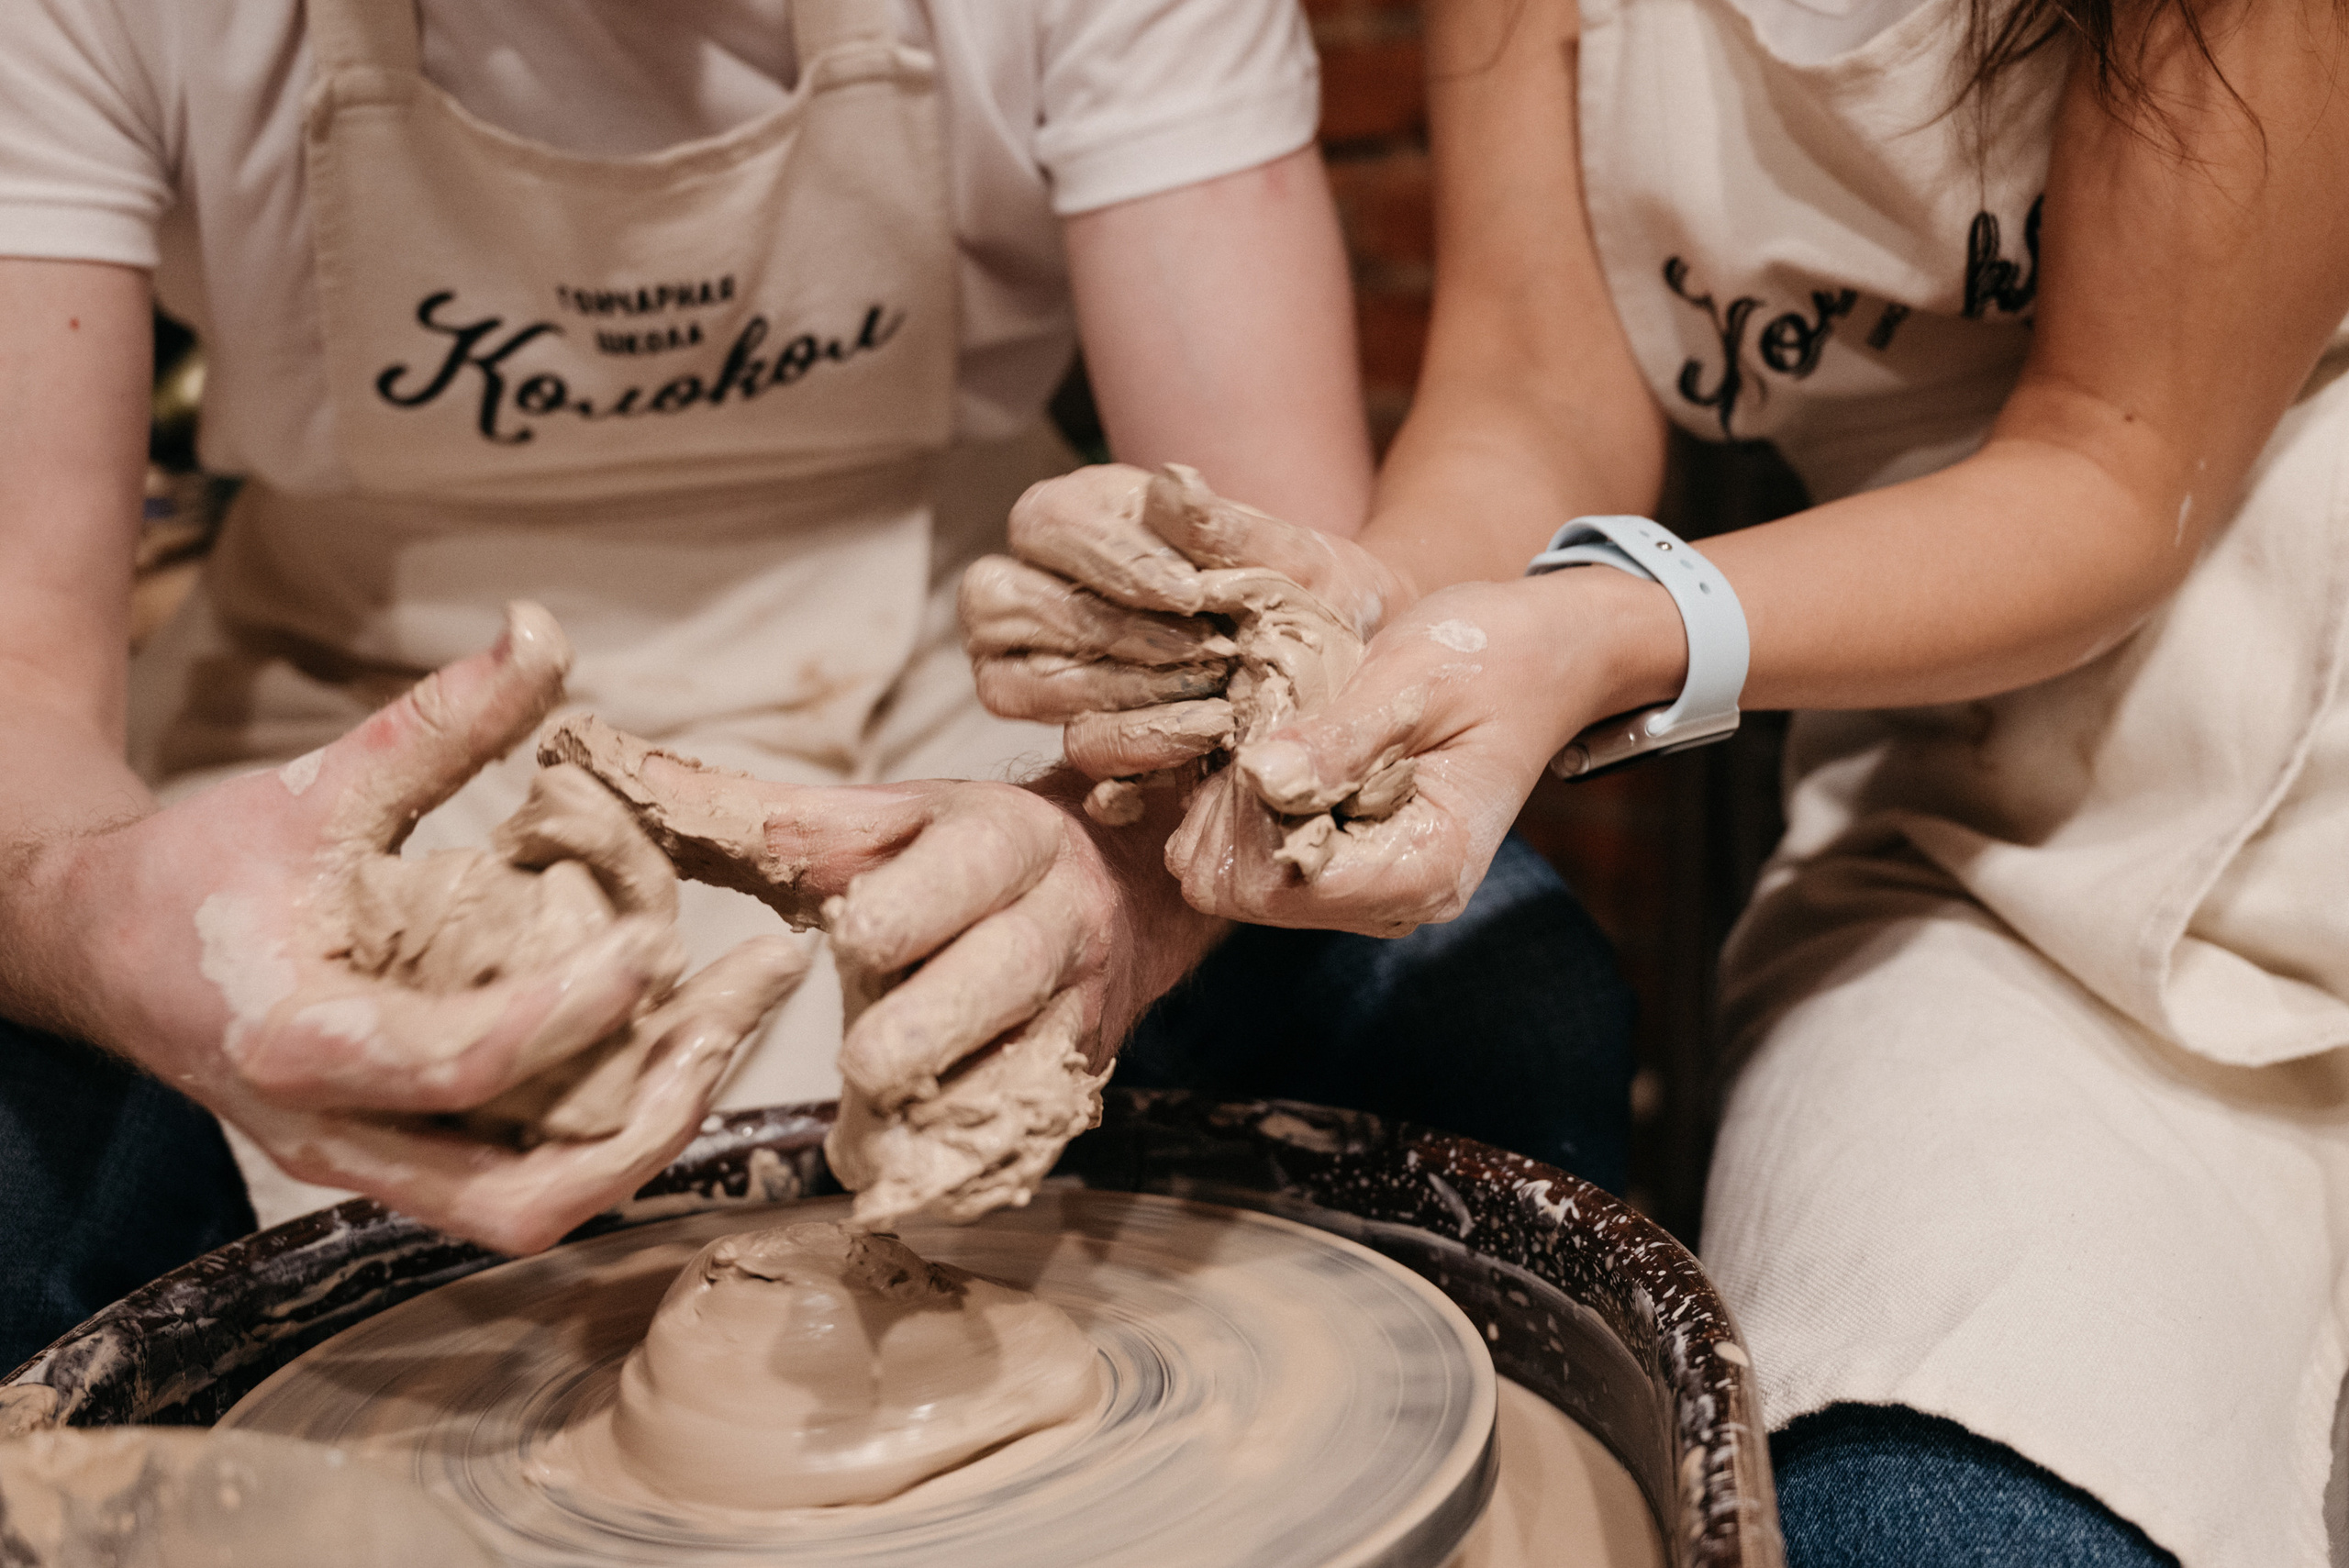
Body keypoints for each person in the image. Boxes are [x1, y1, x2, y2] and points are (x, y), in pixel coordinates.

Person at [0, 0, 1633, 1371]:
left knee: (1499, 1003)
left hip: (976, 701)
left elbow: (1286, 608)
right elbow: (19, 683)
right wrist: (109, 919)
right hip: (356, 712)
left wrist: (1119, 877)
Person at [969, 0, 2349, 1562]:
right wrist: (1371, 610)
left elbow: (2115, 457)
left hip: (2282, 708)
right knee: (1923, 1520)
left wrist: (1625, 629)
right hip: (1983, 832)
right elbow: (1534, 386)